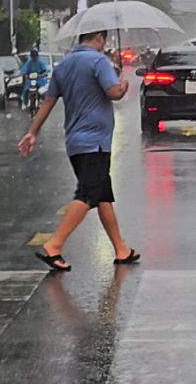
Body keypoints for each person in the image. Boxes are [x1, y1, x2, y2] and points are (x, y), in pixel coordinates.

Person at [18, 28, 139, 272]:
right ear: (99, 38)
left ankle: (121, 248)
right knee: (87, 194)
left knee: (102, 195)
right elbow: (114, 93)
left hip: (75, 142)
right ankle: (54, 244)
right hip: (96, 142)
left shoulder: (63, 66)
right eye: (103, 40)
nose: (104, 45)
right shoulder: (98, 61)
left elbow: (49, 102)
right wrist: (123, 84)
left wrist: (33, 132)